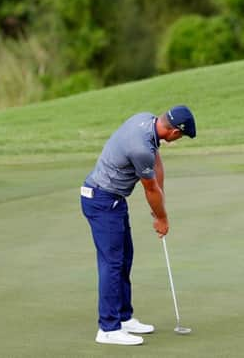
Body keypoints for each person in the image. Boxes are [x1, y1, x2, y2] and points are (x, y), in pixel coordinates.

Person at [80, 105, 196, 346]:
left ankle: (123, 317)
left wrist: (160, 200)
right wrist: (161, 217)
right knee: (112, 264)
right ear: (174, 132)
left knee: (124, 259)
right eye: (181, 136)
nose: (178, 140)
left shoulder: (146, 121)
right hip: (101, 200)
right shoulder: (140, 148)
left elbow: (157, 166)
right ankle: (108, 328)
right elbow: (150, 188)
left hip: (113, 200)